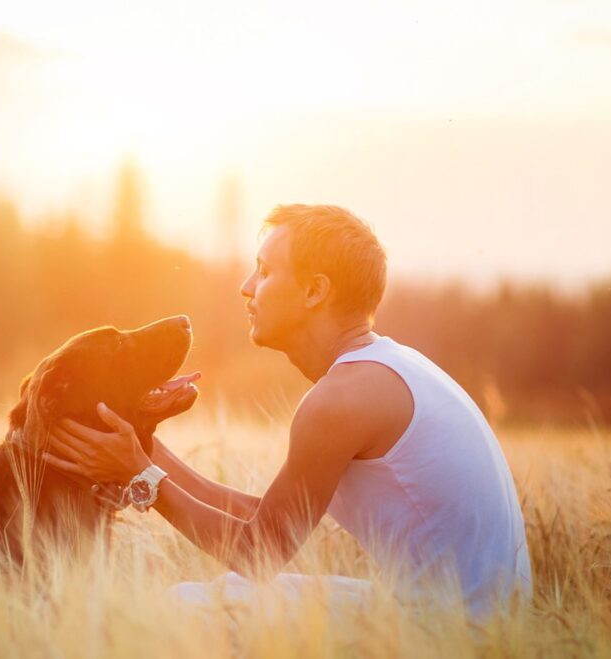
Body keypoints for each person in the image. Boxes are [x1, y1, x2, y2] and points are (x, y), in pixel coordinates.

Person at [42, 204, 532, 618]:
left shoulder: (340, 400)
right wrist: (146, 451)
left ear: (315, 291)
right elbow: (266, 518)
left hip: (454, 633)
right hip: (464, 612)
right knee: (213, 601)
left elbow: (259, 552)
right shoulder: (383, 370)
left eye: (266, 271)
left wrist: (142, 480)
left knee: (181, 614)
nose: (246, 286)